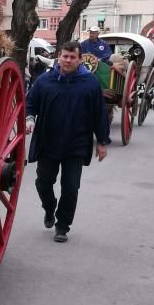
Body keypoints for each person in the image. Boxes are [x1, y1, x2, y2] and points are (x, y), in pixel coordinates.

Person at [25, 41, 110, 243]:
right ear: (59, 57)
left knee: (71, 187)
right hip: (48, 142)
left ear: (80, 59)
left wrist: (102, 142)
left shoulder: (89, 83)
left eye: (73, 57)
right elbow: (30, 103)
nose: (68, 60)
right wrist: (29, 119)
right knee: (43, 183)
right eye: (65, 56)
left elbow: (100, 113)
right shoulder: (45, 81)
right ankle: (49, 207)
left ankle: (62, 226)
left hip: (76, 144)